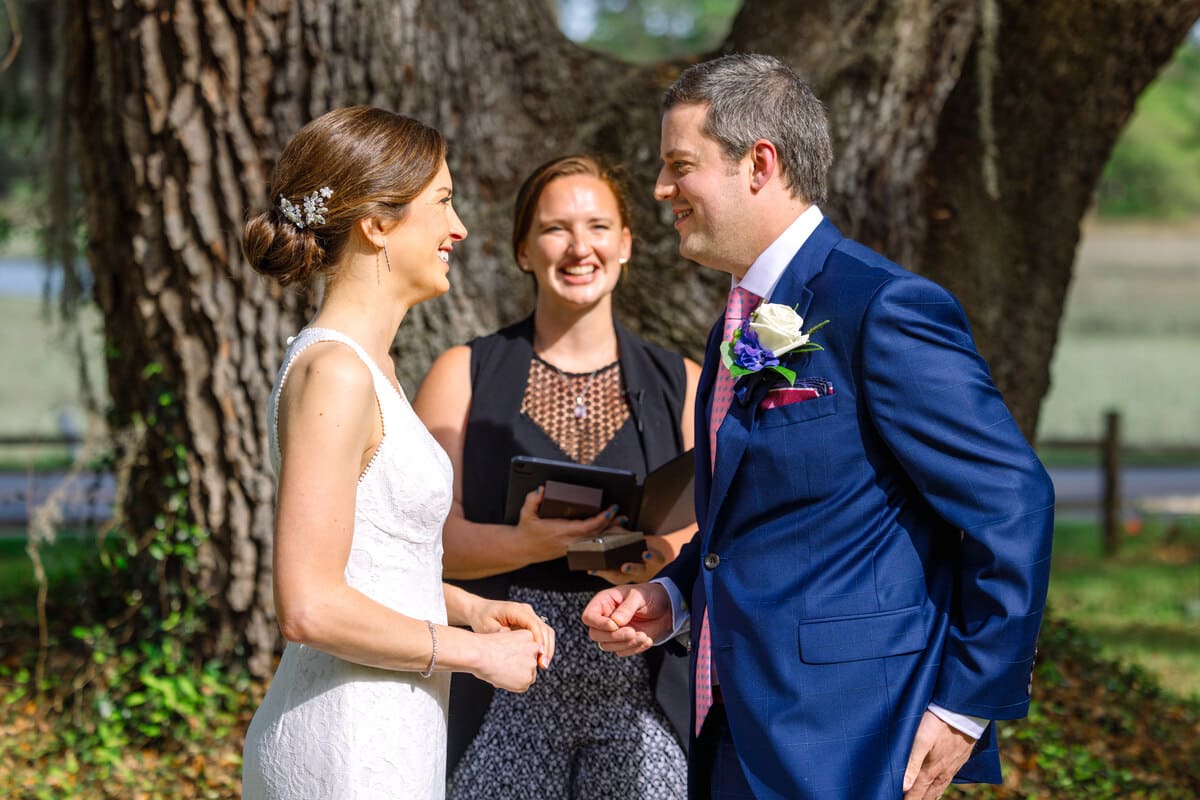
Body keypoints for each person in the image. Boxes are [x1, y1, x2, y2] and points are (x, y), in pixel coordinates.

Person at [583, 54, 1055, 800]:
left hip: (853, 739)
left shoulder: (886, 308)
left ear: (758, 164)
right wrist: (672, 596)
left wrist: (966, 705)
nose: (662, 189)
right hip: (731, 727)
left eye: (680, 166)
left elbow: (1013, 503)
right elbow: (759, 518)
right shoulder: (736, 326)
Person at [240, 106, 555, 800]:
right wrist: (477, 654)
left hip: (393, 728)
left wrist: (468, 609)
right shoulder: (338, 374)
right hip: (348, 744)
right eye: (442, 202)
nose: (460, 228)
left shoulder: (368, 368)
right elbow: (311, 605)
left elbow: (369, 565)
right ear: (378, 224)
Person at [414, 154, 702, 799]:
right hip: (499, 690)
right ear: (523, 249)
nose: (579, 247)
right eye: (554, 229)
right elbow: (419, 540)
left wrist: (649, 560)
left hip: (643, 692)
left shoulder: (682, 382)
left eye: (599, 226)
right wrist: (530, 544)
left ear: (625, 244)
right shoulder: (461, 373)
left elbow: (712, 540)